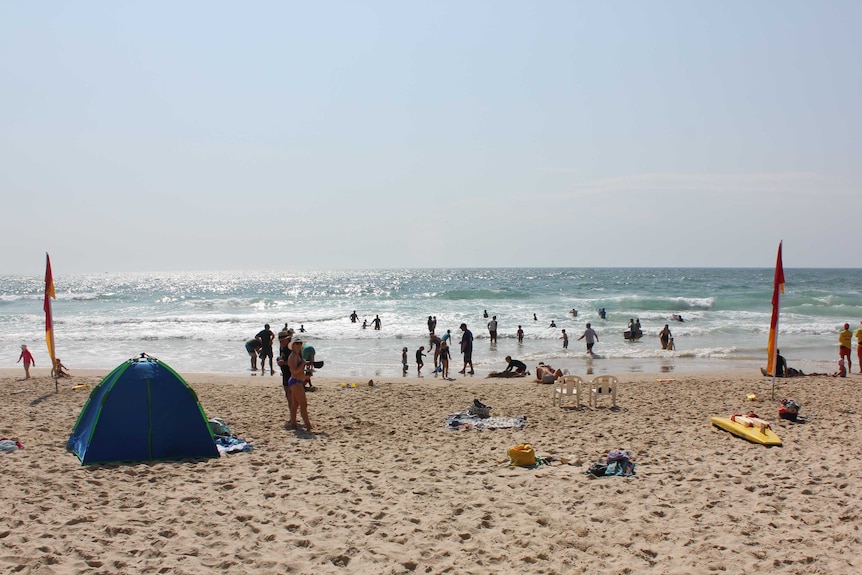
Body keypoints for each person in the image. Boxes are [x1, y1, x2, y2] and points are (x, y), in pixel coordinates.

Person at [282, 337, 313, 431]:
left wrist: (306, 364)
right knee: (303, 404)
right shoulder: (292, 356)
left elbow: (299, 367)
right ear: (293, 345)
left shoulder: (297, 355)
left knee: (295, 405)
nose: (299, 345)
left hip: (298, 381)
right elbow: (294, 371)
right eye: (297, 343)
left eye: (300, 343)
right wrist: (303, 363)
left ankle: (294, 424)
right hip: (295, 381)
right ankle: (308, 426)